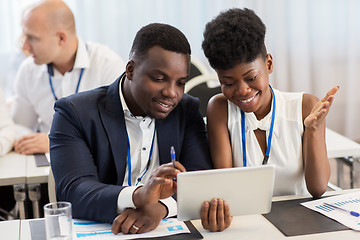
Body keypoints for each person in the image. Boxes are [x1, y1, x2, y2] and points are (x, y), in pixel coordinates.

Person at [49, 23, 212, 234]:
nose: (172, 93)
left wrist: (160, 207)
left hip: (166, 229)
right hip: (103, 230)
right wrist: (139, 196)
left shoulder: (186, 110)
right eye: (159, 78)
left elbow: (199, 178)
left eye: (180, 82)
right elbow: (74, 190)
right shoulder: (74, 113)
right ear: (131, 70)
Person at [200, 8, 338, 231]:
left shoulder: (304, 106)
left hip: (301, 224)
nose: (242, 90)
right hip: (245, 223)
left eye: (251, 77)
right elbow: (225, 187)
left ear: (269, 64)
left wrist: (313, 130)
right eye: (228, 83)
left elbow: (318, 188)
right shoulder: (220, 109)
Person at [11, 0, 124, 155]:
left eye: (33, 38)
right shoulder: (28, 70)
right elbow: (19, 126)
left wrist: (56, 141)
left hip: (94, 164)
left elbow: (118, 133)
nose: (25, 46)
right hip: (44, 165)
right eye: (24, 37)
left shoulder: (108, 66)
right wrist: (29, 139)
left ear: (61, 38)